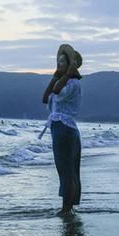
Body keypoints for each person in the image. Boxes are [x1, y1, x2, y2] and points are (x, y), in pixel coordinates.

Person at [41, 44, 83, 215]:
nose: (59, 64)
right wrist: (55, 76)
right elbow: (45, 98)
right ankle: (68, 207)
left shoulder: (73, 83)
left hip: (64, 128)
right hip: (62, 128)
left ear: (71, 65)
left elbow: (57, 91)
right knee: (67, 169)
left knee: (66, 169)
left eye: (63, 62)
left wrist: (66, 74)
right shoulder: (63, 82)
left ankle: (66, 208)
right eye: (58, 61)